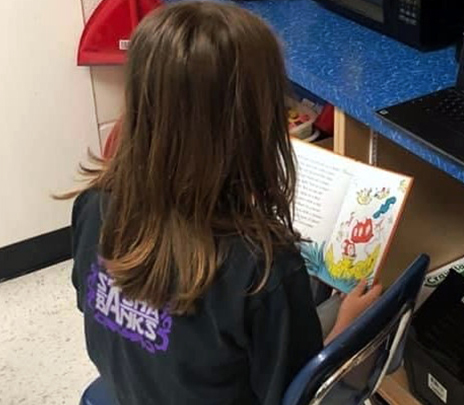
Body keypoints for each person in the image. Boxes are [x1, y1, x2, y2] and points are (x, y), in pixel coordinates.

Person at [61, 2, 381, 404]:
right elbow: (295, 393)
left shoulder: (95, 203)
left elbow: (89, 304)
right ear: (256, 126)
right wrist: (348, 327)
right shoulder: (263, 266)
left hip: (134, 391)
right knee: (361, 314)